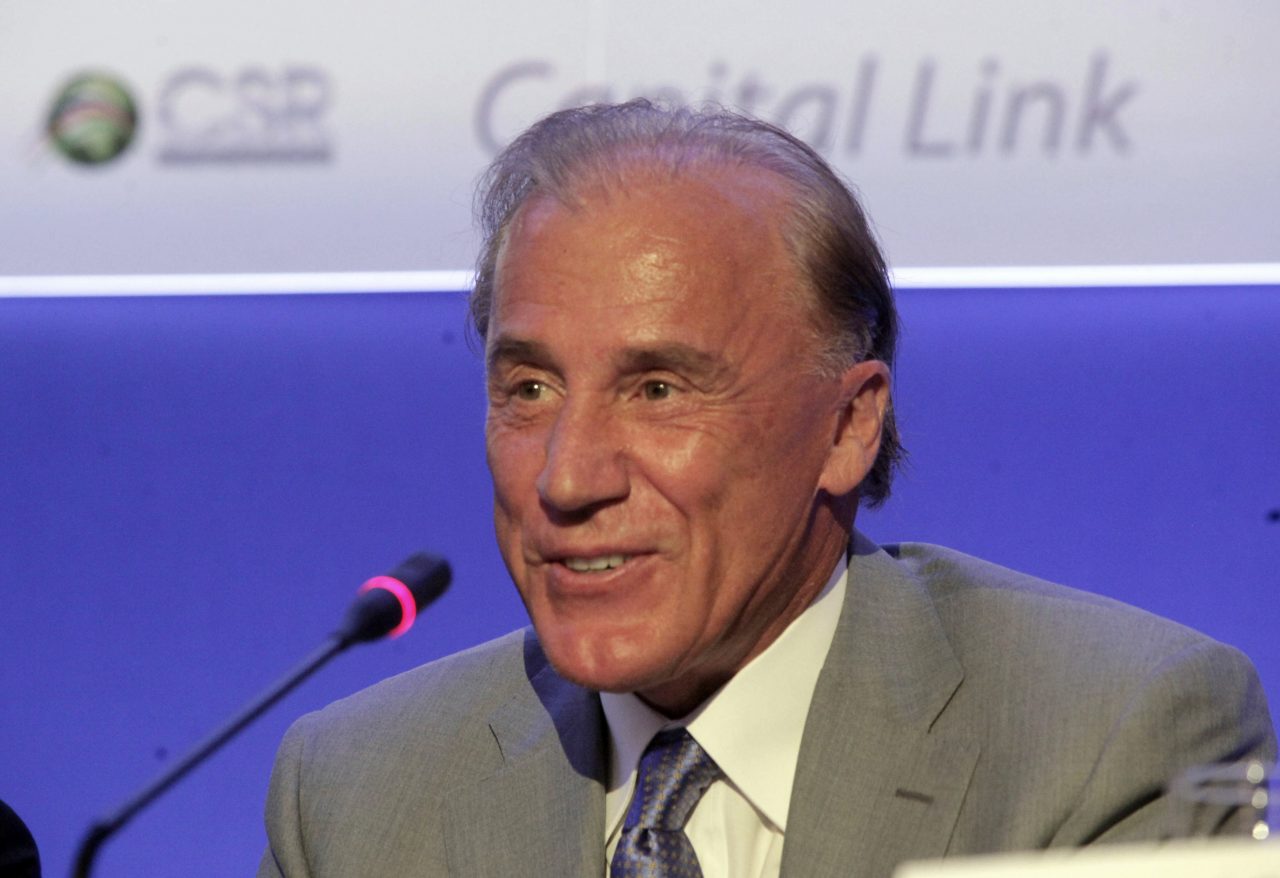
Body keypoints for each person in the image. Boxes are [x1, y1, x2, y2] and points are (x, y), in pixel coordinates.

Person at [258, 101, 1276, 877]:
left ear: (846, 426)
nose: (566, 478)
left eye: (658, 390)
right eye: (529, 389)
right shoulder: (355, 795)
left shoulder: (1107, 738)